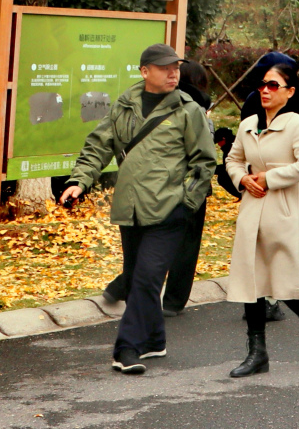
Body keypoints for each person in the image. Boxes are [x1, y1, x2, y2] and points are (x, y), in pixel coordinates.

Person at [61, 43, 219, 374]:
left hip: (170, 212)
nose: (173, 72)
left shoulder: (188, 110)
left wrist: (186, 203)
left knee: (148, 276)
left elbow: (204, 164)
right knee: (137, 279)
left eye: (176, 67)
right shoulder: (125, 106)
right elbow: (99, 145)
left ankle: (127, 347)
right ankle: (154, 340)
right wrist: (80, 181)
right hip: (131, 210)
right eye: (165, 67)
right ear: (145, 71)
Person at [224, 62, 299, 377]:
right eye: (262, 85)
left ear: (290, 91)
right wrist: (242, 179)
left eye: (273, 85)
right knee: (252, 282)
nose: (266, 90)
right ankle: (257, 354)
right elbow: (233, 160)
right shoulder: (248, 125)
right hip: (252, 213)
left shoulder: (297, 124)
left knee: (286, 283)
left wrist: (269, 177)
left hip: (284, 212)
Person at [100, 57, 219, 316]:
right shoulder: (193, 109)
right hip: (186, 191)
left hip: (148, 190)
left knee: (145, 247)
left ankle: (125, 287)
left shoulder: (151, 103)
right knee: (185, 247)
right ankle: (173, 302)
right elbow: (205, 157)